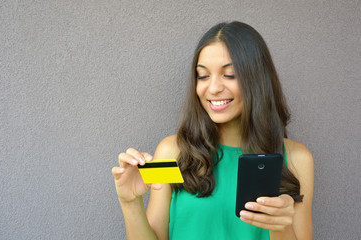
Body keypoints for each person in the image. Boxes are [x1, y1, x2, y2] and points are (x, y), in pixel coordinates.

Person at [112, 21, 314, 240]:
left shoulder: (297, 159)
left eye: (229, 75)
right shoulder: (172, 152)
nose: (214, 88)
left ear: (257, 79)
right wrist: (129, 202)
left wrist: (279, 225)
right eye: (203, 76)